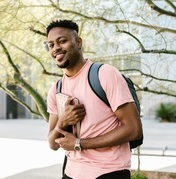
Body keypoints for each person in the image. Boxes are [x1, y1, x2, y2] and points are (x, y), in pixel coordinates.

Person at [46, 19, 143, 179]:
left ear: (78, 42)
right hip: (70, 173)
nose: (56, 48)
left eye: (62, 41)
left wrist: (79, 144)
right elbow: (52, 143)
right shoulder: (56, 89)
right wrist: (62, 122)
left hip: (108, 171)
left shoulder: (105, 74)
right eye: (51, 45)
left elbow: (133, 130)